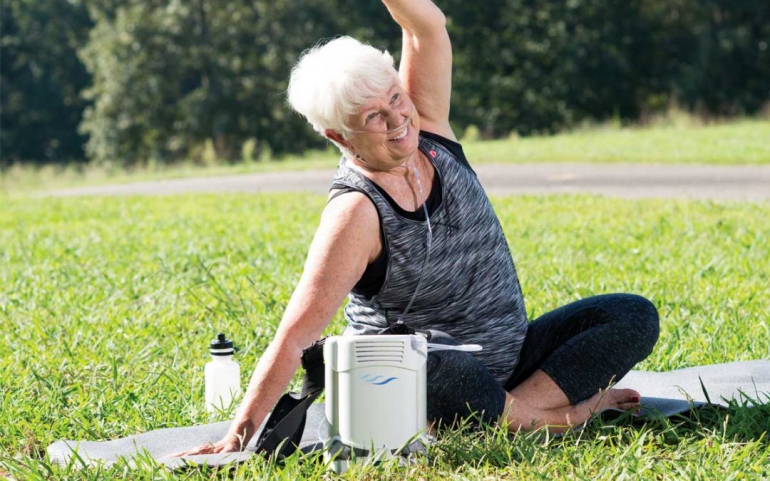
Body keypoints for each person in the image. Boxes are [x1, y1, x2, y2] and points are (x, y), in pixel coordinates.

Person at [176, 0, 659, 455]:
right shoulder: (357, 212)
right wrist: (237, 438)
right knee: (437, 367)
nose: (398, 120)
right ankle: (561, 420)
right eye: (373, 117)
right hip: (426, 381)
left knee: (631, 314)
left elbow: (425, 25)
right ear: (337, 136)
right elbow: (296, 336)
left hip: (510, 360)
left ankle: (510, 414)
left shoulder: (429, 125)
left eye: (394, 96)